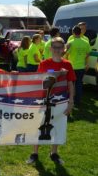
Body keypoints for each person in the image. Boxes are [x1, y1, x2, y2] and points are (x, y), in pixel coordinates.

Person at [26, 37, 76, 165]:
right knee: (39, 125)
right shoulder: (44, 64)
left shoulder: (67, 64)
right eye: (55, 47)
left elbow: (71, 84)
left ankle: (54, 153)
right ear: (50, 48)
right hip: (44, 99)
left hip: (61, 101)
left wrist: (71, 101)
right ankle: (34, 153)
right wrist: (57, 75)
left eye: (60, 47)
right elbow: (41, 83)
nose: (57, 50)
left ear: (63, 49)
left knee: (58, 125)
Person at [64, 26, 90, 106]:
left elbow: (65, 55)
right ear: (81, 32)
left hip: (71, 67)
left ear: (73, 32)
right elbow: (88, 54)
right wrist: (86, 64)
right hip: (81, 67)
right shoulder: (86, 42)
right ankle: (77, 101)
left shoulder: (70, 43)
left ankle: (68, 100)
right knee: (79, 84)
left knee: (70, 84)